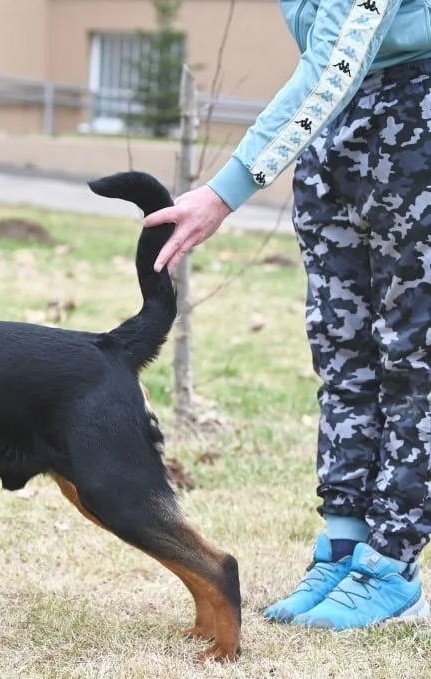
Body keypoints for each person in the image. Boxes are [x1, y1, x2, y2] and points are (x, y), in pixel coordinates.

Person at [143, 0, 431, 630]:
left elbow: (337, 58)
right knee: (342, 347)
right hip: (332, 127)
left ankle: (393, 563)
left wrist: (224, 191)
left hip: (417, 119)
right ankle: (346, 541)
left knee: (414, 359)